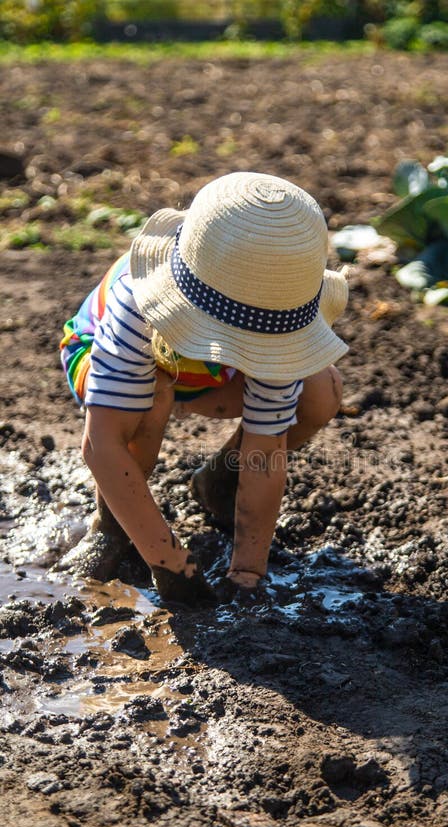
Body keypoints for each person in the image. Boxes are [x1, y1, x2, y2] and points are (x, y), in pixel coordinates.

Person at [59, 172, 348, 603]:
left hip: (213, 379)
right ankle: (112, 527)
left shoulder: (274, 316)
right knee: (153, 400)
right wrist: (171, 565)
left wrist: (248, 573)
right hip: (112, 360)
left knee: (321, 389)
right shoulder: (137, 305)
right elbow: (104, 443)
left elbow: (266, 451)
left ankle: (218, 484)